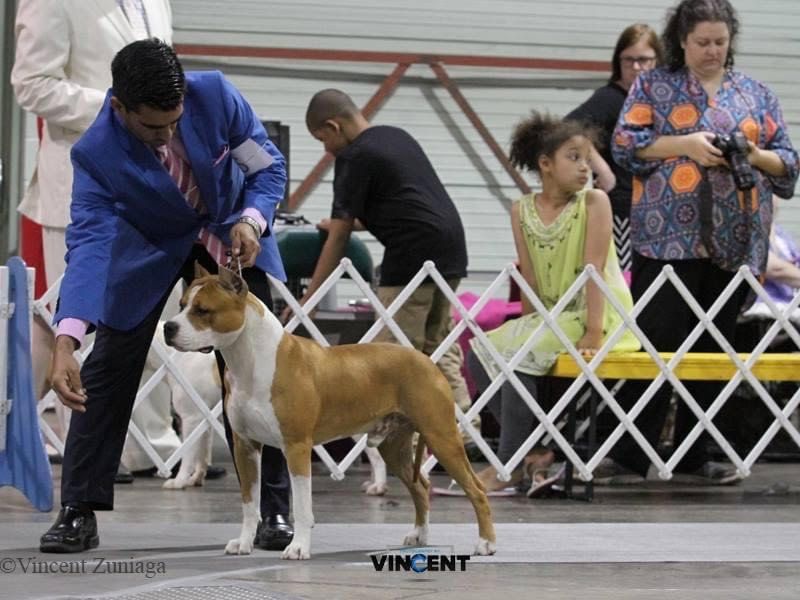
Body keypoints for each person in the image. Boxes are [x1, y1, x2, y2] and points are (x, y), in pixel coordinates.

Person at [40, 39, 293, 553]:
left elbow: (266, 169)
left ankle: (277, 511)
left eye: (175, 121)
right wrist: (66, 339)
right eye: (153, 127)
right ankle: (77, 511)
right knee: (109, 368)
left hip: (230, 239)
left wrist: (252, 218)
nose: (168, 134)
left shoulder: (217, 95)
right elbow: (89, 244)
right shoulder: (96, 153)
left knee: (266, 375)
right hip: (149, 249)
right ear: (119, 107)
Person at [599, 0, 799, 485]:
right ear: (682, 42)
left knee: (716, 348)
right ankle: (625, 452)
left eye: (720, 42)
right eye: (702, 42)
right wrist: (685, 144)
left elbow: (788, 163)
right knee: (656, 343)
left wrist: (753, 154)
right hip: (667, 238)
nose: (712, 51)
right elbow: (626, 145)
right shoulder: (653, 85)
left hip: (737, 240)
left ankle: (698, 452)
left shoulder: (756, 94)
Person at [11, 0, 179, 480]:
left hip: (149, 185)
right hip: (79, 179)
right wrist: (113, 108)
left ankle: (148, 446)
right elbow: (31, 84)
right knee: (77, 322)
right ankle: (85, 451)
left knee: (149, 318)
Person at [467, 112, 640, 495]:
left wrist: (594, 331)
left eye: (588, 159)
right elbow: (528, 278)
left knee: (517, 356)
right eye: (574, 157)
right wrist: (525, 328)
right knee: (478, 354)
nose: (586, 168)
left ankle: (508, 465)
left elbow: (594, 269)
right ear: (545, 165)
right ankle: (535, 449)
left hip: (597, 315)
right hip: (552, 318)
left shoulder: (594, 202)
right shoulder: (521, 210)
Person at [292, 89, 473, 423]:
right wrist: (338, 224)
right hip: (450, 249)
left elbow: (340, 237)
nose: (326, 149)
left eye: (322, 139)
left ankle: (387, 443)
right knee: (438, 343)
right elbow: (401, 204)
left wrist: (310, 299)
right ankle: (465, 426)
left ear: (334, 126)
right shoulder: (395, 136)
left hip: (411, 257)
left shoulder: (354, 157)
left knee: (392, 356)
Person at [566, 23, 664, 272]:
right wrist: (601, 170)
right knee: (624, 278)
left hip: (658, 206)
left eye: (643, 60)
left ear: (658, 60)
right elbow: (569, 127)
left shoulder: (662, 100)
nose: (635, 67)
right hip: (622, 207)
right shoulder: (611, 97)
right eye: (628, 60)